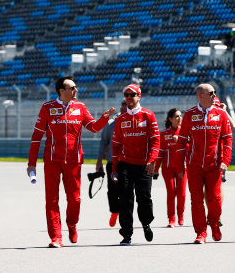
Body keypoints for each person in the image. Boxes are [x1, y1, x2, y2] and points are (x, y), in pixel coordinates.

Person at [27, 76, 115, 248]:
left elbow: (94, 127)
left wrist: (104, 118)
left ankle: (72, 224)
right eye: (72, 88)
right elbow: (36, 137)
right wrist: (32, 164)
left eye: (75, 87)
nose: (76, 90)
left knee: (75, 199)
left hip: (74, 161)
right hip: (52, 160)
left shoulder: (80, 107)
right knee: (52, 200)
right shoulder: (47, 108)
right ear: (62, 90)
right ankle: (56, 237)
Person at [176, 83, 233, 244]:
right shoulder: (189, 115)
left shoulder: (221, 114)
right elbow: (181, 142)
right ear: (201, 96)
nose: (215, 95)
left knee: (214, 198)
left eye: (215, 92)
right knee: (196, 199)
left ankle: (214, 224)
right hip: (193, 165)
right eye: (211, 93)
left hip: (214, 165)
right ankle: (201, 232)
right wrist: (180, 166)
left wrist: (225, 160)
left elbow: (227, 138)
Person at [111, 83, 160, 245]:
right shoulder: (120, 119)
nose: (129, 98)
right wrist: (114, 168)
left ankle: (146, 223)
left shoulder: (149, 115)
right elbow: (116, 144)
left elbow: (155, 140)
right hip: (125, 164)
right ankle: (126, 234)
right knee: (125, 199)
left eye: (133, 95)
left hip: (144, 165)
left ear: (139, 96)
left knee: (144, 198)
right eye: (127, 95)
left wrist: (152, 160)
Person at [96, 99, 128, 228]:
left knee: (126, 190)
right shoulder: (110, 124)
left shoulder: (136, 122)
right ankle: (114, 211)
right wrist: (99, 160)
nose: (127, 109)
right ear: (121, 108)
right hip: (112, 162)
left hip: (129, 163)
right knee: (113, 190)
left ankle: (125, 216)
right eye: (125, 106)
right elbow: (103, 141)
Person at [154, 108, 187, 227]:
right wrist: (156, 169)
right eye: (176, 116)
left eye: (180, 116)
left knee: (181, 194)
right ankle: (171, 218)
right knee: (171, 193)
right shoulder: (164, 133)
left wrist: (181, 142)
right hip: (167, 168)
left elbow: (191, 148)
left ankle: (181, 216)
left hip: (182, 168)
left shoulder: (185, 131)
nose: (179, 118)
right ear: (170, 119)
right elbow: (160, 152)